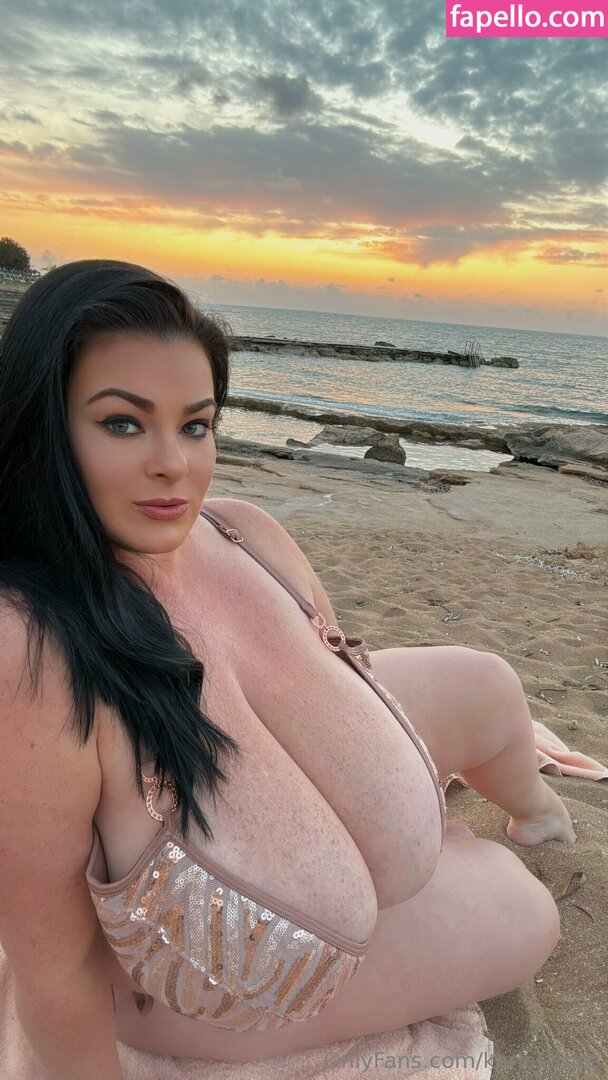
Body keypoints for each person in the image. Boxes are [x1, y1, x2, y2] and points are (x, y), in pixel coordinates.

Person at [0, 260, 575, 1079]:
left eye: (196, 425)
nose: (174, 464)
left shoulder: (241, 529)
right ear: (44, 429)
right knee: (525, 910)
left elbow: (339, 692)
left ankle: (527, 816)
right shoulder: (30, 646)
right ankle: (429, 862)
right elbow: (52, 965)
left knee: (486, 685)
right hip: (200, 983)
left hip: (289, 841)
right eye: (123, 423)